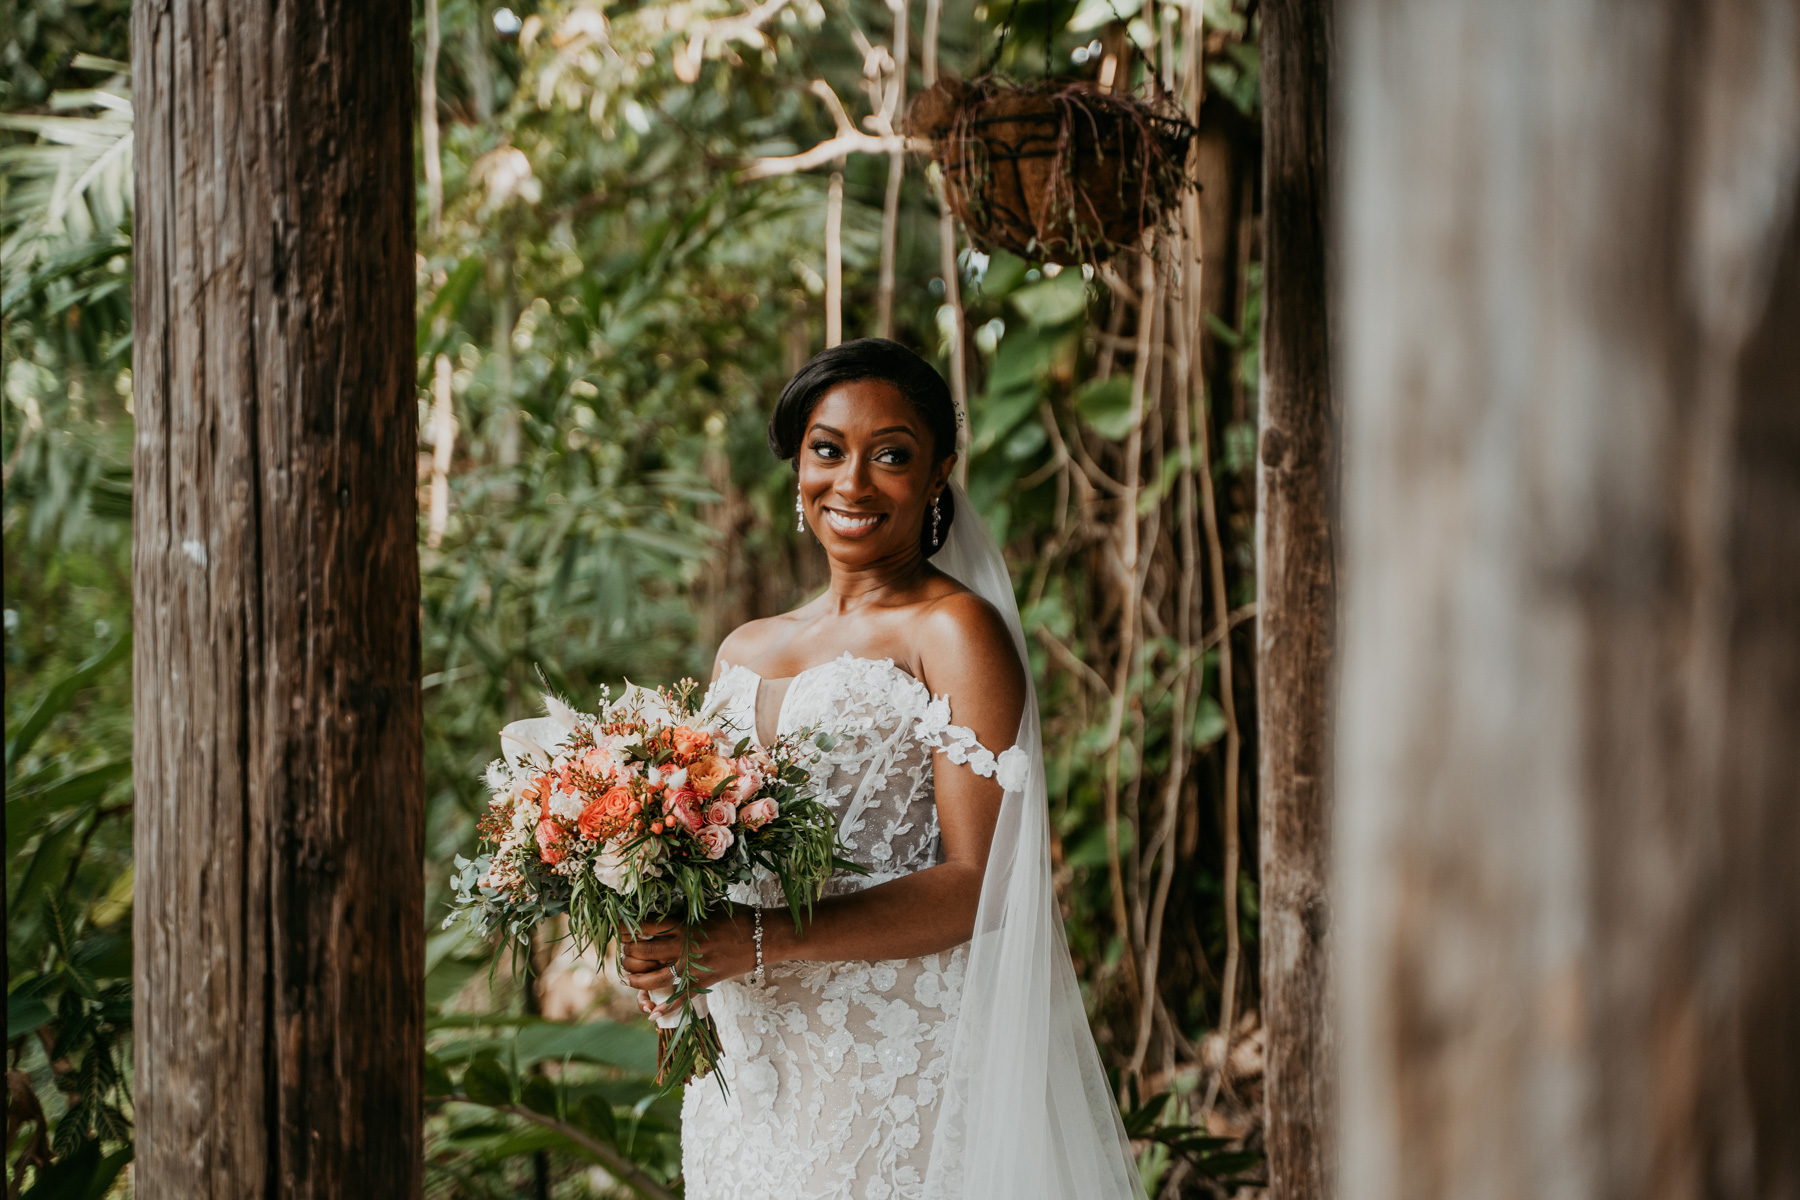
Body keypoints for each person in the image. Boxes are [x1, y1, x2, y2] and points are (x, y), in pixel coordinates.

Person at [620, 339, 1144, 1200]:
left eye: (890, 455)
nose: (853, 483)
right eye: (828, 450)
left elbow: (981, 882)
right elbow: (709, 856)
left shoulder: (952, 632)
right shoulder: (744, 648)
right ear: (798, 464)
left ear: (938, 474)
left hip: (885, 1063)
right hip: (750, 1072)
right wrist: (663, 939)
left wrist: (759, 942)